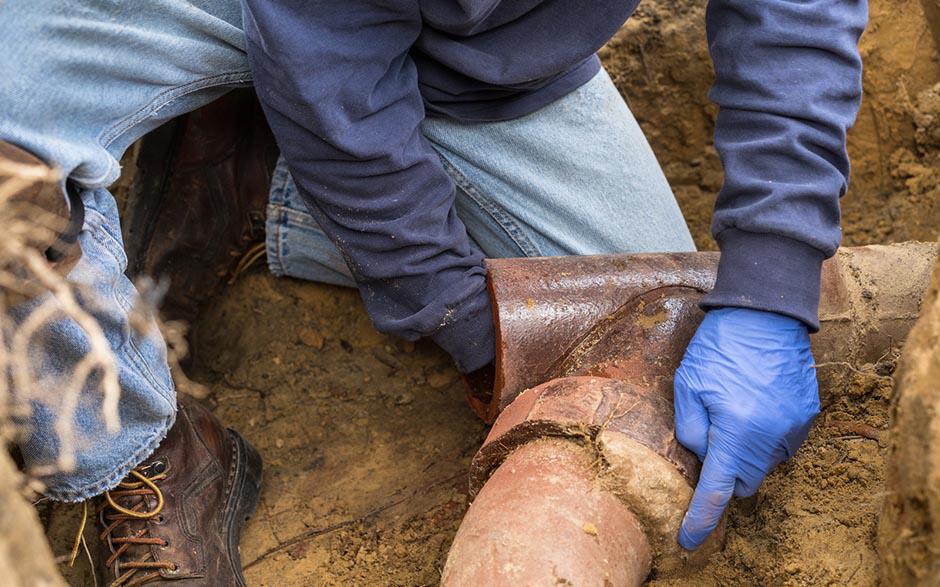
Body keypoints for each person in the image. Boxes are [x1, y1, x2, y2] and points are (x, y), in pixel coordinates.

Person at [0, 0, 866, 583]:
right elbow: (328, 67)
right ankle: (134, 450)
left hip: (479, 48)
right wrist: (467, 322)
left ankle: (255, 181)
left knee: (646, 345)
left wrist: (771, 285)